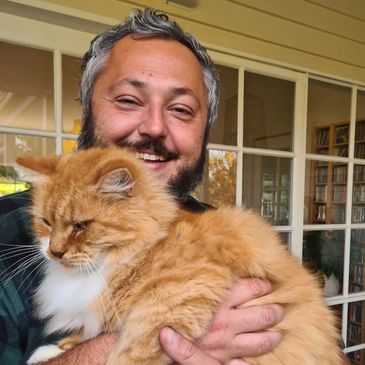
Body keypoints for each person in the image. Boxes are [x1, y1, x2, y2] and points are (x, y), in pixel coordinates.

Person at [0, 7, 344, 365]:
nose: (154, 127)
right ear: (87, 112)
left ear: (204, 132)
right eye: (129, 100)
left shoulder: (202, 224)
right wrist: (123, 346)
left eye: (180, 109)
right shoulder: (6, 234)